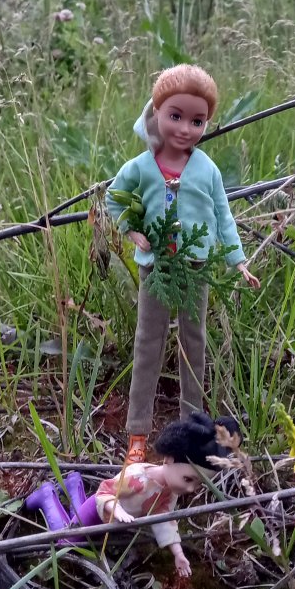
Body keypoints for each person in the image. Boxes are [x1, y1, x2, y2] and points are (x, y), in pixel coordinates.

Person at [106, 65, 260, 465]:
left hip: (195, 266)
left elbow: (223, 215)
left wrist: (238, 259)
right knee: (148, 344)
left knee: (195, 342)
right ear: (155, 112)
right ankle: (138, 432)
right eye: (176, 116)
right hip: (156, 268)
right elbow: (114, 197)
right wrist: (132, 230)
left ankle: (191, 428)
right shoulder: (142, 165)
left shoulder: (206, 168)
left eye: (197, 121)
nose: (186, 129)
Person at [24, 413, 242, 576]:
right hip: (99, 512)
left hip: (110, 523)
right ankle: (46, 496)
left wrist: (178, 553)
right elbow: (104, 491)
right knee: (67, 540)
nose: (190, 489)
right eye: (188, 479)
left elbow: (164, 518)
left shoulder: (168, 492)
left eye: (198, 484)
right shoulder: (139, 477)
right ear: (169, 459)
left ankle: (73, 483)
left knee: (80, 525)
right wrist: (116, 509)